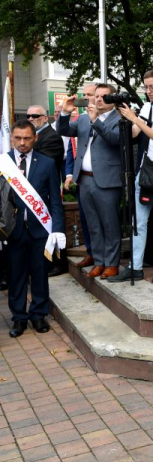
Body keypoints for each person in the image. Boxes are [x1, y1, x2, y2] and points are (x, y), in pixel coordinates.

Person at [107, 70, 153, 283]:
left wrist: (135, 118)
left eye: (152, 87)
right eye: (146, 87)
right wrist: (126, 119)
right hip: (145, 171)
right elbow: (135, 135)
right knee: (138, 221)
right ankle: (135, 266)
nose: (148, 92)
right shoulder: (146, 108)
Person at [5, 120, 65, 337]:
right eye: (18, 138)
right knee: (16, 276)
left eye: (27, 138)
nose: (22, 143)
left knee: (40, 274)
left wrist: (57, 229)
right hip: (12, 231)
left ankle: (39, 315)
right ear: (11, 138)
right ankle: (19, 318)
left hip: (40, 230)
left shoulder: (48, 163)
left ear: (35, 138)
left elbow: (55, 202)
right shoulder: (4, 163)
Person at [58, 83, 123, 279]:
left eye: (104, 96)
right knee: (93, 224)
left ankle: (112, 263)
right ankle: (99, 261)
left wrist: (96, 121)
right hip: (85, 180)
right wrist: (65, 112)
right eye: (97, 96)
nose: (99, 100)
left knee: (110, 224)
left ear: (113, 99)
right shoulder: (84, 119)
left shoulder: (120, 118)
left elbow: (114, 140)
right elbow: (64, 130)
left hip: (107, 181)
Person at [26, 105, 67, 277]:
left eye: (35, 115)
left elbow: (44, 163)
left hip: (46, 191)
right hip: (30, 190)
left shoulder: (52, 137)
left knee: (51, 225)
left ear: (46, 117)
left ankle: (58, 263)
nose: (31, 118)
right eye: (28, 116)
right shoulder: (31, 136)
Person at [63, 84, 95, 268]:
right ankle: (90, 252)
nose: (86, 98)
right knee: (85, 218)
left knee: (102, 221)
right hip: (82, 179)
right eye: (84, 95)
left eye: (89, 95)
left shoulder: (108, 117)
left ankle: (105, 257)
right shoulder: (80, 119)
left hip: (102, 180)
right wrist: (69, 174)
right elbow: (71, 148)